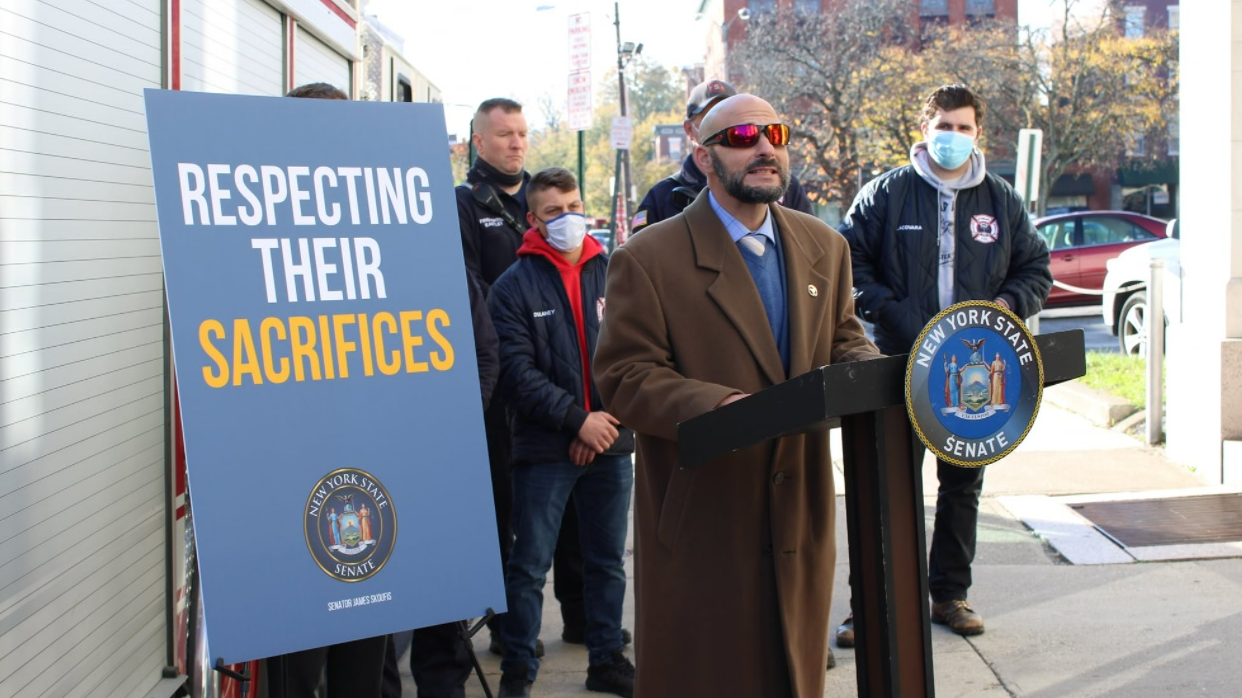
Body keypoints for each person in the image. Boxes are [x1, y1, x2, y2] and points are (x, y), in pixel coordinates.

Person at [593, 94, 880, 698]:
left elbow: (844, 339)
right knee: (712, 674)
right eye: (744, 137)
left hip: (800, 507)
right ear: (703, 157)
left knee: (791, 673)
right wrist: (718, 407)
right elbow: (625, 374)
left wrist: (883, 379)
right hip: (706, 513)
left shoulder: (825, 246)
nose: (765, 148)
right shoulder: (647, 257)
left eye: (775, 134)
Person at [835, 84, 1052, 644]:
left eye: (963, 127)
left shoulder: (1001, 199)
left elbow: (1035, 269)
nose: (952, 136)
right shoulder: (886, 194)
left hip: (973, 370)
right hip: (898, 361)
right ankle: (872, 605)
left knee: (962, 487)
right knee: (886, 488)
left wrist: (1004, 307)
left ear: (978, 134)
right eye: (943, 126)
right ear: (924, 129)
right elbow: (849, 264)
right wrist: (896, 313)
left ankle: (949, 595)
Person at [488, 168, 636, 698]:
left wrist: (601, 424)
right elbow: (515, 373)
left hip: (611, 441)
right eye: (554, 211)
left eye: (574, 206)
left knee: (607, 563)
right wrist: (577, 420)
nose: (568, 218)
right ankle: (518, 671)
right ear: (533, 219)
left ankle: (606, 660)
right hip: (545, 448)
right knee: (529, 566)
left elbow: (638, 353)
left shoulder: (617, 271)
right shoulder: (512, 286)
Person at [267, 81, 390, 698]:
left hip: (372, 476)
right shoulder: (254, 237)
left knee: (363, 661)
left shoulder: (388, 234)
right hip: (283, 486)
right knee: (294, 664)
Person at [630, 79, 814, 234]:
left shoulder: (783, 186)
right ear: (689, 129)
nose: (767, 149)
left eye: (776, 135)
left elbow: (809, 247)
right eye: (708, 118)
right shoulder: (662, 198)